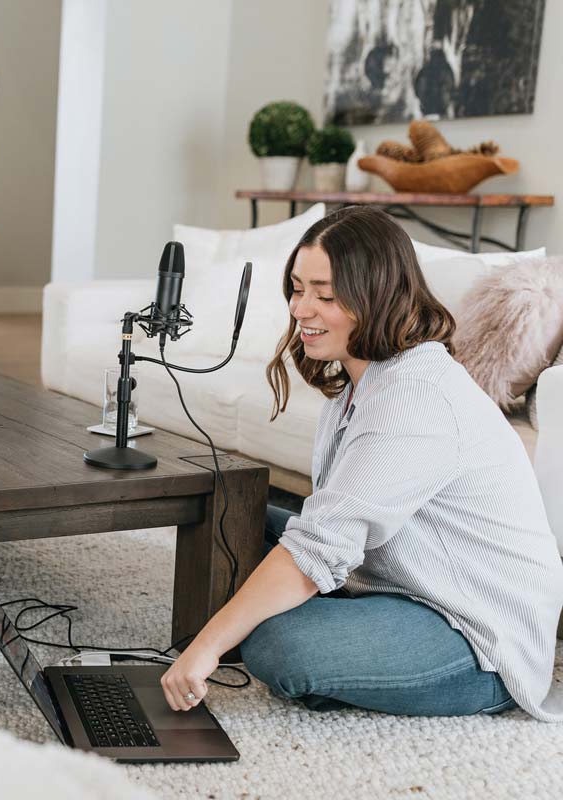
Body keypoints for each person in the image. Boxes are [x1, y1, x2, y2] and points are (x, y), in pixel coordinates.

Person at [160, 205, 563, 719]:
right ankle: (341, 634)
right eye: (298, 287)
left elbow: (318, 549)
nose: (301, 308)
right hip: (400, 578)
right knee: (231, 511)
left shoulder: (415, 400)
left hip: (476, 633)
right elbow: (325, 531)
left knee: (277, 646)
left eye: (325, 295)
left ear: (376, 296)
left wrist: (207, 648)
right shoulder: (361, 376)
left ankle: (352, 653)